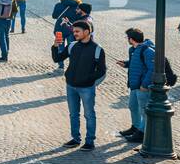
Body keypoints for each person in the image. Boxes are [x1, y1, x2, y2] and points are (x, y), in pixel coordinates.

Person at [52, 20, 106, 150]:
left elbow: (101, 71)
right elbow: (57, 59)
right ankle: (75, 139)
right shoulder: (72, 45)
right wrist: (54, 46)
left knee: (89, 115)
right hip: (71, 86)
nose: (74, 33)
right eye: (74, 31)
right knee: (73, 114)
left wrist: (87, 79)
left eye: (77, 31)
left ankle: (90, 141)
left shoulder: (98, 49)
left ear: (87, 32)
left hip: (86, 88)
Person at [117, 28, 155, 144]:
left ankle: (142, 134)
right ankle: (136, 127)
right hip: (134, 85)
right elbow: (137, 63)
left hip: (142, 86)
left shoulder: (148, 51)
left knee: (144, 111)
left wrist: (144, 84)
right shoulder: (133, 49)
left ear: (131, 39)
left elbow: (152, 68)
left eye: (127, 38)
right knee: (132, 106)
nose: (127, 39)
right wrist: (126, 64)